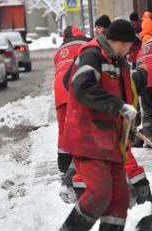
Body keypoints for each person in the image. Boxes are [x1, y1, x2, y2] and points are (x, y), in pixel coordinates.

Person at [58, 19, 138, 231]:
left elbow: (125, 94)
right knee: (101, 192)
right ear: (118, 42)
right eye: (128, 46)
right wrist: (117, 106)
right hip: (87, 137)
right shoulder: (93, 55)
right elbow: (80, 87)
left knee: (120, 194)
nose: (130, 51)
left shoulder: (117, 61)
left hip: (110, 138)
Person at [53, 25, 89, 176]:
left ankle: (63, 166)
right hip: (77, 86)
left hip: (60, 88)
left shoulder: (59, 50)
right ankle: (82, 162)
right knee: (83, 125)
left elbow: (57, 66)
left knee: (64, 128)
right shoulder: (86, 44)